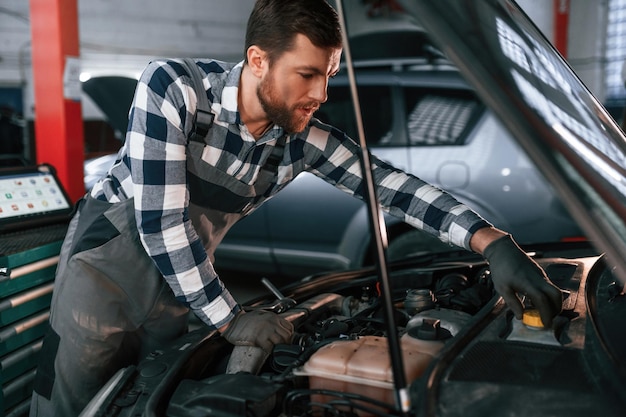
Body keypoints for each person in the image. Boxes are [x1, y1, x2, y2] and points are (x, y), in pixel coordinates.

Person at [29, 0, 563, 415]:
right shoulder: (175, 90)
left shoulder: (301, 139)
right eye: (308, 74)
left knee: (153, 396)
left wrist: (492, 242)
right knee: (74, 400)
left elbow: (391, 186)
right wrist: (231, 318)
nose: (323, 92)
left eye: (329, 74)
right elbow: (161, 220)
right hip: (105, 271)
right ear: (258, 60)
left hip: (182, 284)